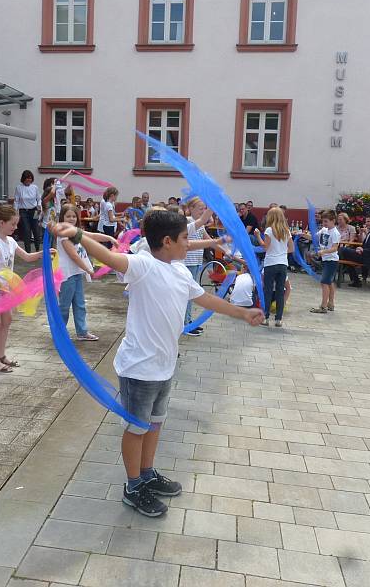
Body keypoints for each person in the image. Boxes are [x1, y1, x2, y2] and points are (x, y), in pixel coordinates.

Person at [49, 210, 263, 517]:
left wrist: (242, 313)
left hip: (164, 365)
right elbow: (111, 259)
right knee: (137, 427)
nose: (189, 243)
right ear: (167, 241)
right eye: (185, 238)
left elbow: (205, 299)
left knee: (155, 423)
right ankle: (133, 486)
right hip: (139, 368)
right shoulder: (144, 266)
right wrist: (78, 235)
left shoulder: (180, 272)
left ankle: (147, 473)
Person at [0, 205, 46, 373]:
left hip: (5, 288)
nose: (16, 227)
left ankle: (1, 356)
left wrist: (43, 253)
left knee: (6, 321)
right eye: (13, 224)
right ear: (1, 223)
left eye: (16, 224)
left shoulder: (11, 241)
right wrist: (1, 286)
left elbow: (27, 257)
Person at [57, 204, 117, 341]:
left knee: (80, 304)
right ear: (62, 217)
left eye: (74, 216)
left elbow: (92, 236)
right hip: (67, 274)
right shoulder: (63, 236)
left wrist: (109, 238)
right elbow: (74, 255)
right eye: (68, 216)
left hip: (77, 273)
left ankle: (82, 332)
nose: (71, 219)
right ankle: (59, 332)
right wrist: (88, 269)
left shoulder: (76, 231)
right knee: (64, 306)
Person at [182, 198, 216, 336]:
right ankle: (185, 324)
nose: (203, 211)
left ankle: (188, 320)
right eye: (200, 208)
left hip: (196, 262)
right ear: (191, 209)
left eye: (204, 208)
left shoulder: (199, 225)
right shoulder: (188, 222)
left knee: (191, 294)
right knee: (188, 294)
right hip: (187, 263)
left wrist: (226, 250)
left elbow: (209, 241)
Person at [255, 207, 293, 328]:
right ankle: (278, 319)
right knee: (280, 292)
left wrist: (257, 236)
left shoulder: (269, 230)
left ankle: (265, 318)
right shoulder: (286, 230)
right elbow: (291, 249)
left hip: (270, 263)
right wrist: (281, 252)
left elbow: (265, 247)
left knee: (268, 290)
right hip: (283, 264)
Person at [339, 214, 370, 288]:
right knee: (345, 256)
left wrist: (363, 250)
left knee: (343, 250)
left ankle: (355, 280)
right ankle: (355, 280)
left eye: (368, 221)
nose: (366, 223)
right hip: (365, 255)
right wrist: (359, 248)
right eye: (366, 221)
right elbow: (366, 245)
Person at [310, 210, 341, 313]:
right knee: (329, 282)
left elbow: (334, 248)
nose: (324, 224)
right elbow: (313, 237)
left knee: (324, 282)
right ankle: (331, 303)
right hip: (326, 260)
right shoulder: (324, 230)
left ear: (333, 221)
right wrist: (301, 235)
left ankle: (323, 306)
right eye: (323, 221)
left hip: (331, 260)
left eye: (326, 221)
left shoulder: (335, 233)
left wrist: (323, 251)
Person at [14, 170, 42, 253]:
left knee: (36, 230)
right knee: (26, 230)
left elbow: (39, 198)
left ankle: (37, 249)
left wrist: (39, 205)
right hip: (23, 211)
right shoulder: (19, 188)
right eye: (27, 179)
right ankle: (28, 251)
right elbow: (16, 201)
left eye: (30, 179)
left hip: (35, 210)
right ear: (23, 179)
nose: (28, 180)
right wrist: (15, 212)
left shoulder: (35, 187)